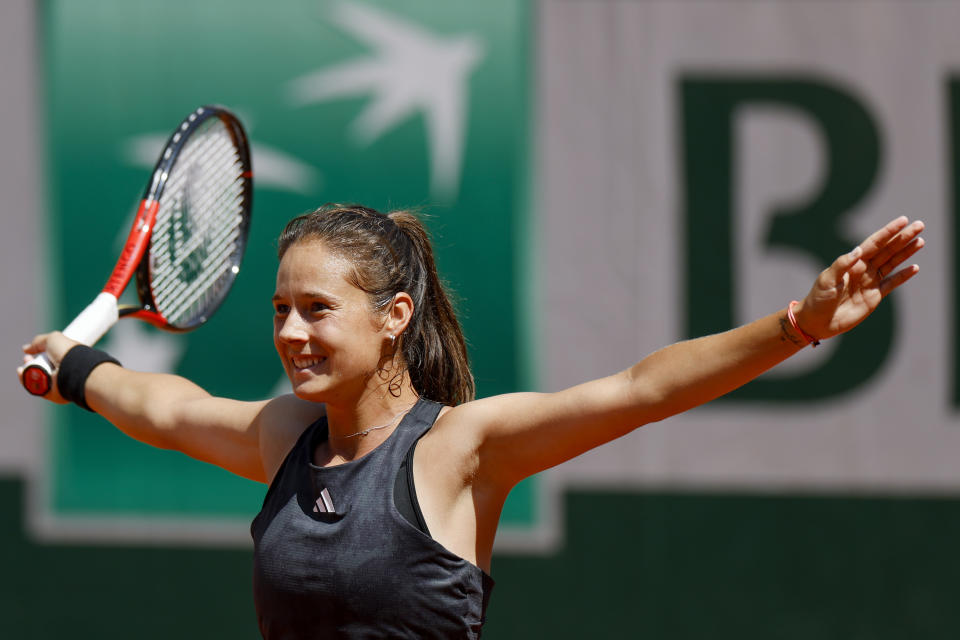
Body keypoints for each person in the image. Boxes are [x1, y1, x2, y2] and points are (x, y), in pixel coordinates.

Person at [19, 204, 925, 638]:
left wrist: (798, 325)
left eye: (318, 309)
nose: (291, 332)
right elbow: (171, 408)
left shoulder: (461, 450)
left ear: (394, 317)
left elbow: (643, 389)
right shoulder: (286, 435)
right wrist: (77, 369)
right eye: (279, 308)